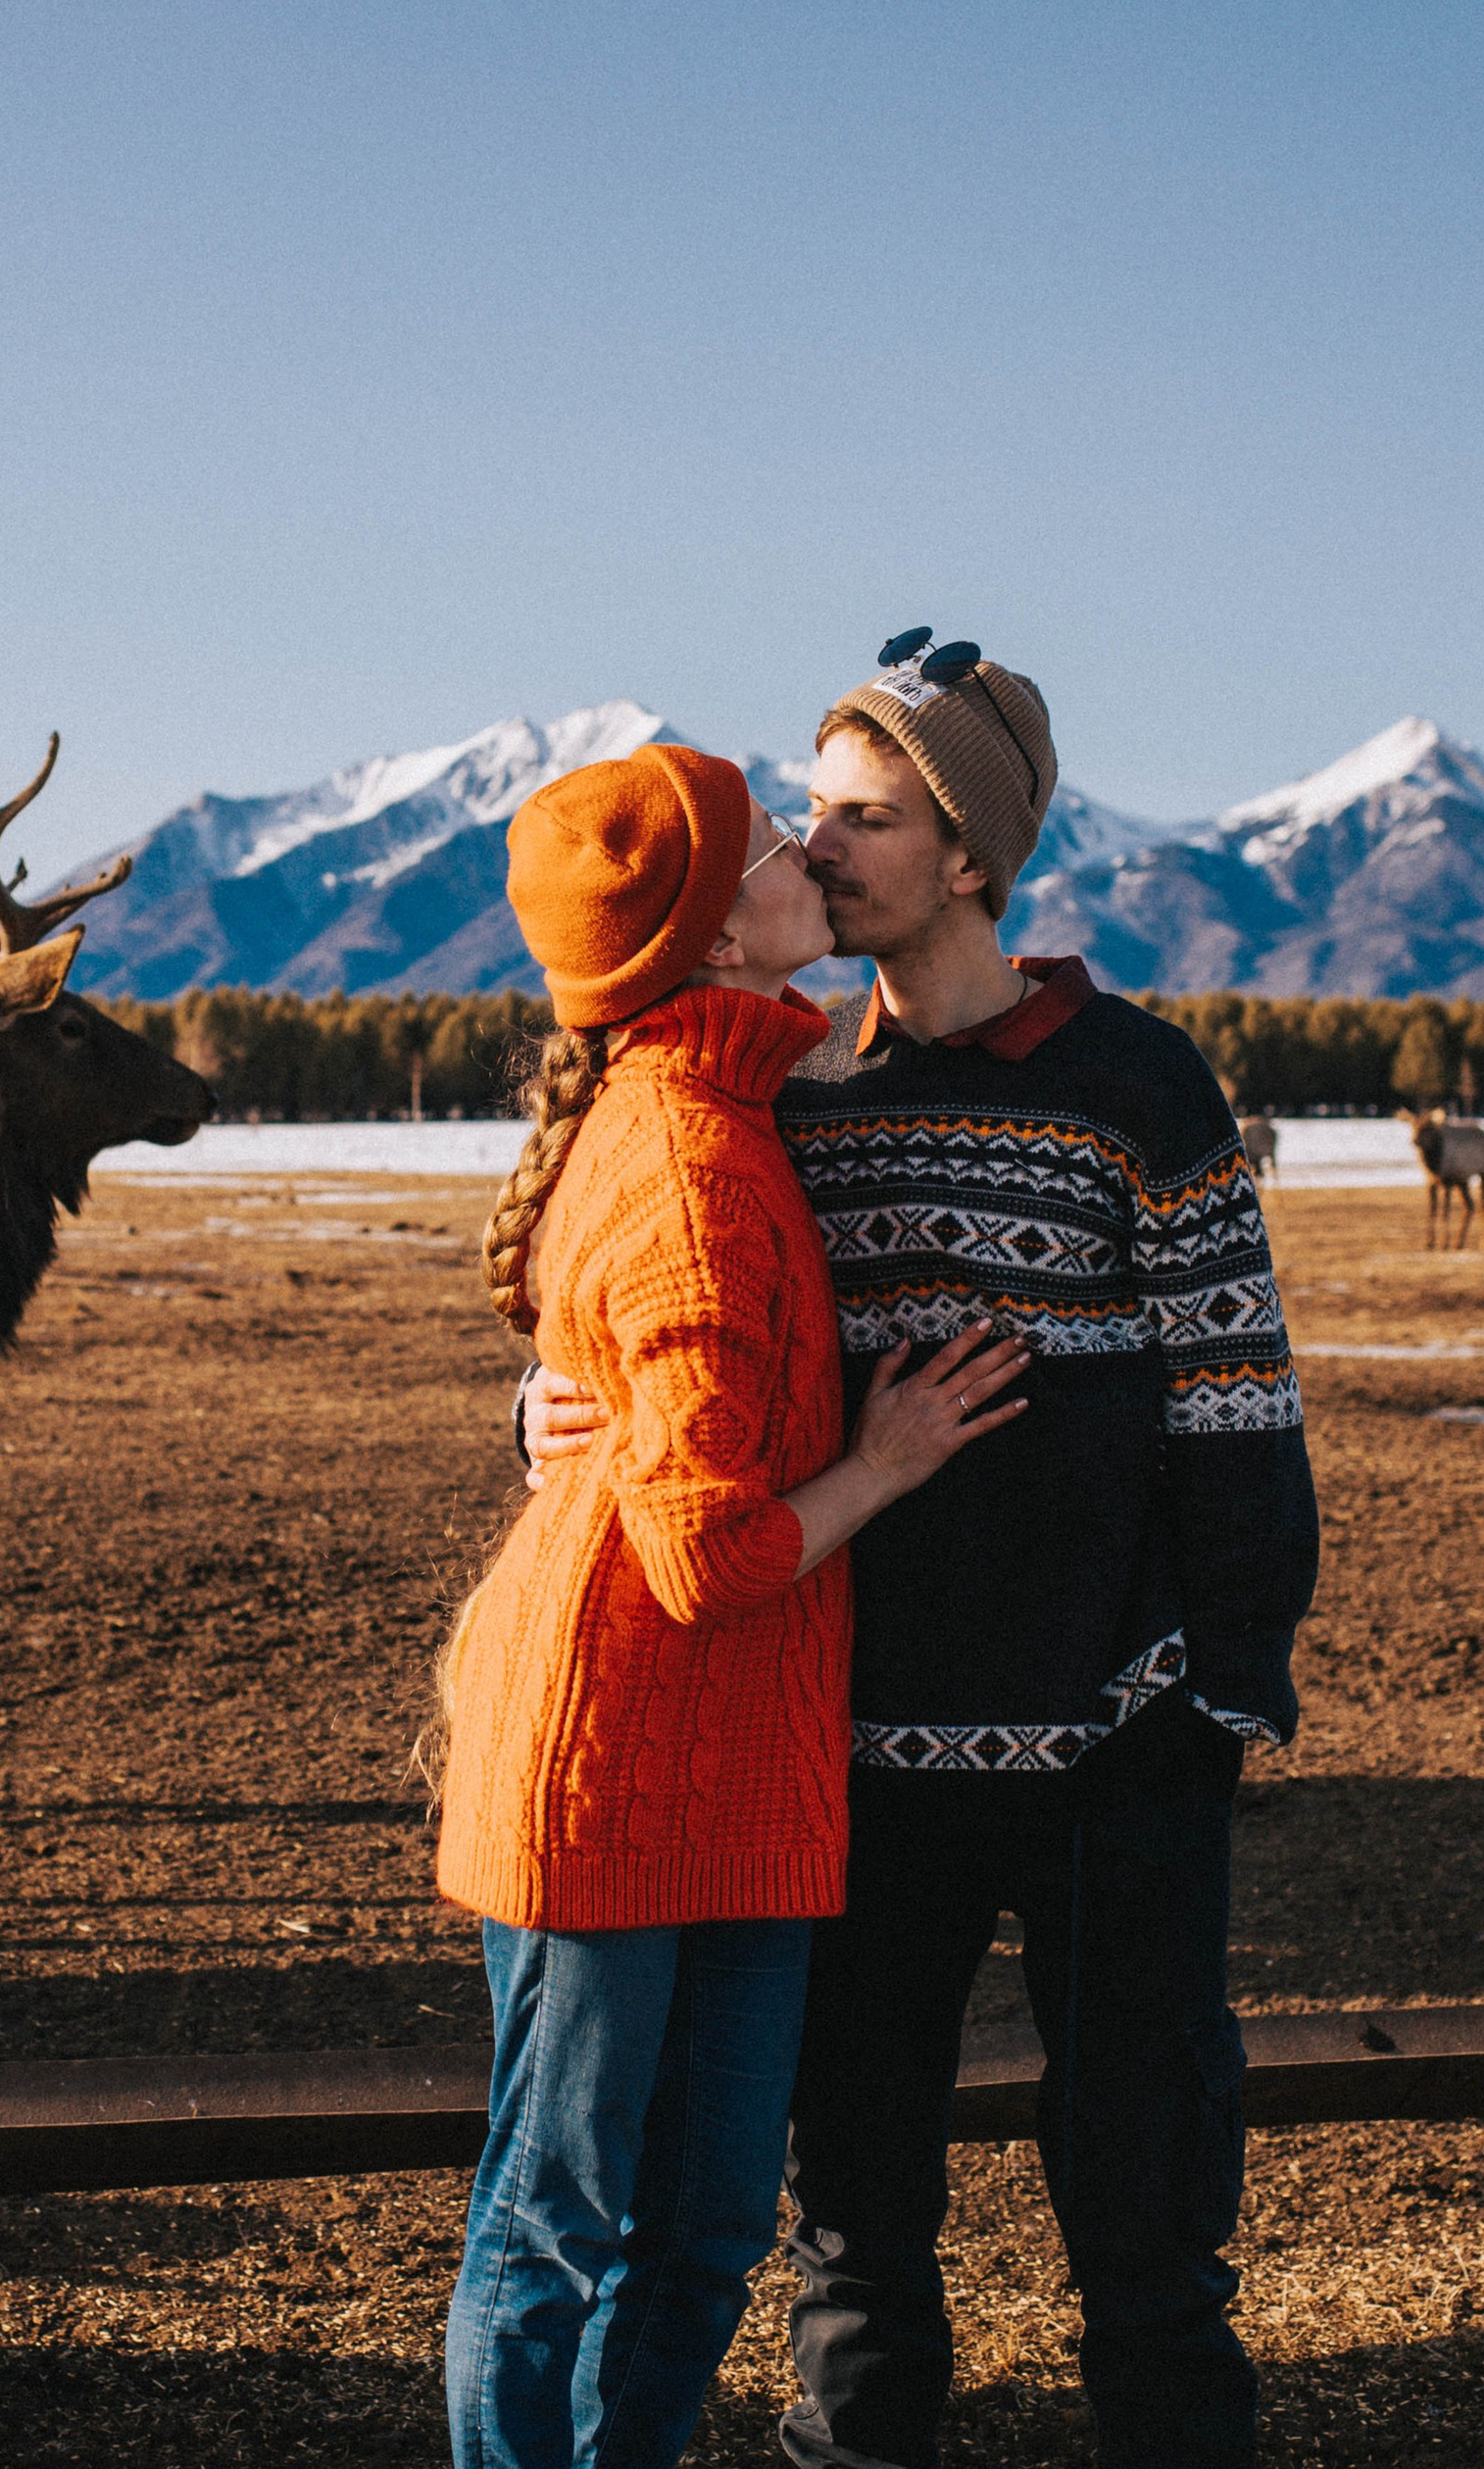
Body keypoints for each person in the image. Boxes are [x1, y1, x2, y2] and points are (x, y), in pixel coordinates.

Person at [523, 637, 1321, 2469]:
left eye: (863, 817)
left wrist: (1223, 1688)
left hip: (1120, 1745)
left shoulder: (1140, 1087)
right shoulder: (786, 1087)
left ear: (969, 855)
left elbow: (1235, 1403)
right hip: (851, 1755)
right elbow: (641, 1291)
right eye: (814, 812)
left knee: (1145, 2202)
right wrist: (547, 1412)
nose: (820, 846)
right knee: (857, 2215)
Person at [436, 740, 1029, 2469]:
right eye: (772, 843)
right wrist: (890, 1460)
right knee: (556, 2229)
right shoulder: (695, 1167)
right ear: (711, 945)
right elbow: (705, 1559)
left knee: (697, 2234)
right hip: (616, 1779)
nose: (804, 852)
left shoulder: (733, 1114)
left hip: (740, 1782)